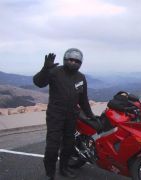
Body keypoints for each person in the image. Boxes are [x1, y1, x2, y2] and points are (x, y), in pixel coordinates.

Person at [33, 48, 95, 180]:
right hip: (55, 115)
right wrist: (45, 69)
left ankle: (64, 168)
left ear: (81, 63)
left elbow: (83, 100)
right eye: (70, 60)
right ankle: (50, 173)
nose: (73, 62)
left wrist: (91, 115)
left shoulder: (81, 77)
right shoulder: (55, 71)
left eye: (77, 61)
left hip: (72, 116)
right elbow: (38, 82)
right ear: (65, 59)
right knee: (52, 147)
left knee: (69, 146)